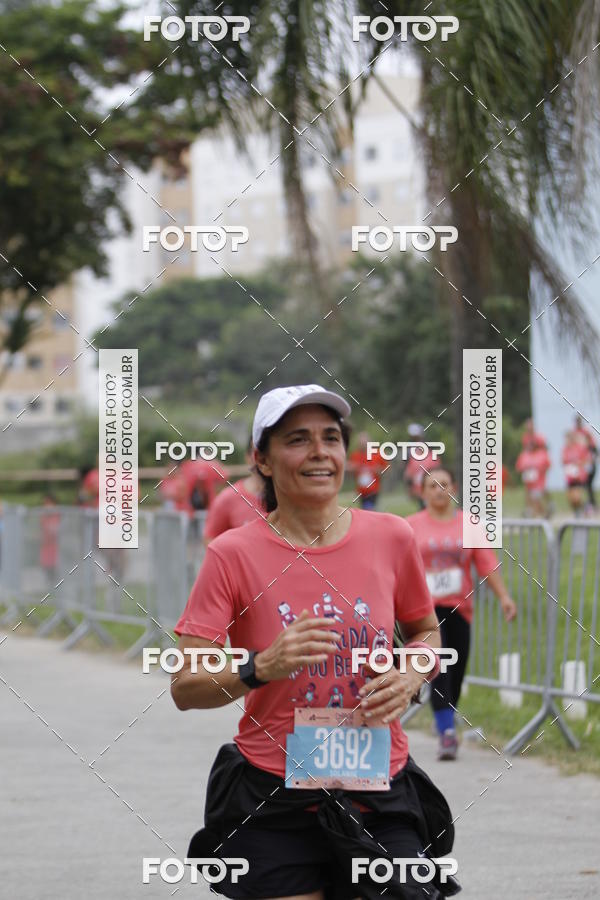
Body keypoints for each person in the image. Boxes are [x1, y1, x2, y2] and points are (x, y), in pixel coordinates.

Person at [173, 384, 459, 900]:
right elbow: (185, 685)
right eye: (298, 439)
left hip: (378, 787)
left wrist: (414, 671)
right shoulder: (231, 555)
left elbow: (424, 630)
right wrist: (260, 665)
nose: (320, 452)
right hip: (272, 793)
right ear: (261, 458)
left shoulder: (391, 536)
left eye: (331, 438)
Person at [407, 467, 516, 761]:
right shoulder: (410, 526)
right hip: (424, 611)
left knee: (457, 669)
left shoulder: (469, 524)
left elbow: (486, 563)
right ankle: (447, 732)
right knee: (440, 666)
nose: (439, 490)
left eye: (444, 484)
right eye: (432, 485)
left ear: (453, 487)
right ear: (422, 492)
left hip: (459, 608)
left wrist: (504, 597)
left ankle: (445, 716)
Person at [203, 439, 267, 545]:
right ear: (247, 457)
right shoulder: (227, 498)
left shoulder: (291, 497)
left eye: (266, 451)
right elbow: (210, 538)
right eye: (256, 452)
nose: (262, 458)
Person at [403, 423, 441, 509]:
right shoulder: (409, 452)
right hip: (418, 487)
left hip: (429, 485)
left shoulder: (431, 454)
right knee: (423, 507)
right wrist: (410, 488)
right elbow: (408, 474)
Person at [347, 431, 386, 510]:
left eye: (365, 443)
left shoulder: (377, 454)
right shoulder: (355, 455)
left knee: (369, 509)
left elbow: (385, 469)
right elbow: (349, 469)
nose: (363, 446)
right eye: (361, 443)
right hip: (361, 490)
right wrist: (353, 468)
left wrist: (377, 470)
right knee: (364, 510)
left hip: (373, 489)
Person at [515, 438, 551, 518]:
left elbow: (548, 465)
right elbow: (518, 467)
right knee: (531, 500)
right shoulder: (524, 455)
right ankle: (541, 514)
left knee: (536, 500)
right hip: (529, 483)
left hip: (539, 483)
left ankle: (542, 513)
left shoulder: (542, 454)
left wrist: (542, 471)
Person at [562, 430, 592, 517]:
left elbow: (587, 460)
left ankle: (585, 508)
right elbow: (563, 461)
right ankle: (579, 511)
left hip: (579, 476)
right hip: (570, 477)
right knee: (571, 499)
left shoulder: (579, 448)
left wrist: (579, 464)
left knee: (577, 497)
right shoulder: (565, 450)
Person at [573, 415, 598, 512]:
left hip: (588, 463)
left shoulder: (586, 433)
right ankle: (585, 505)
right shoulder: (574, 433)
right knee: (581, 485)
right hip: (580, 463)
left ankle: (592, 504)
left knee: (588, 485)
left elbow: (594, 449)